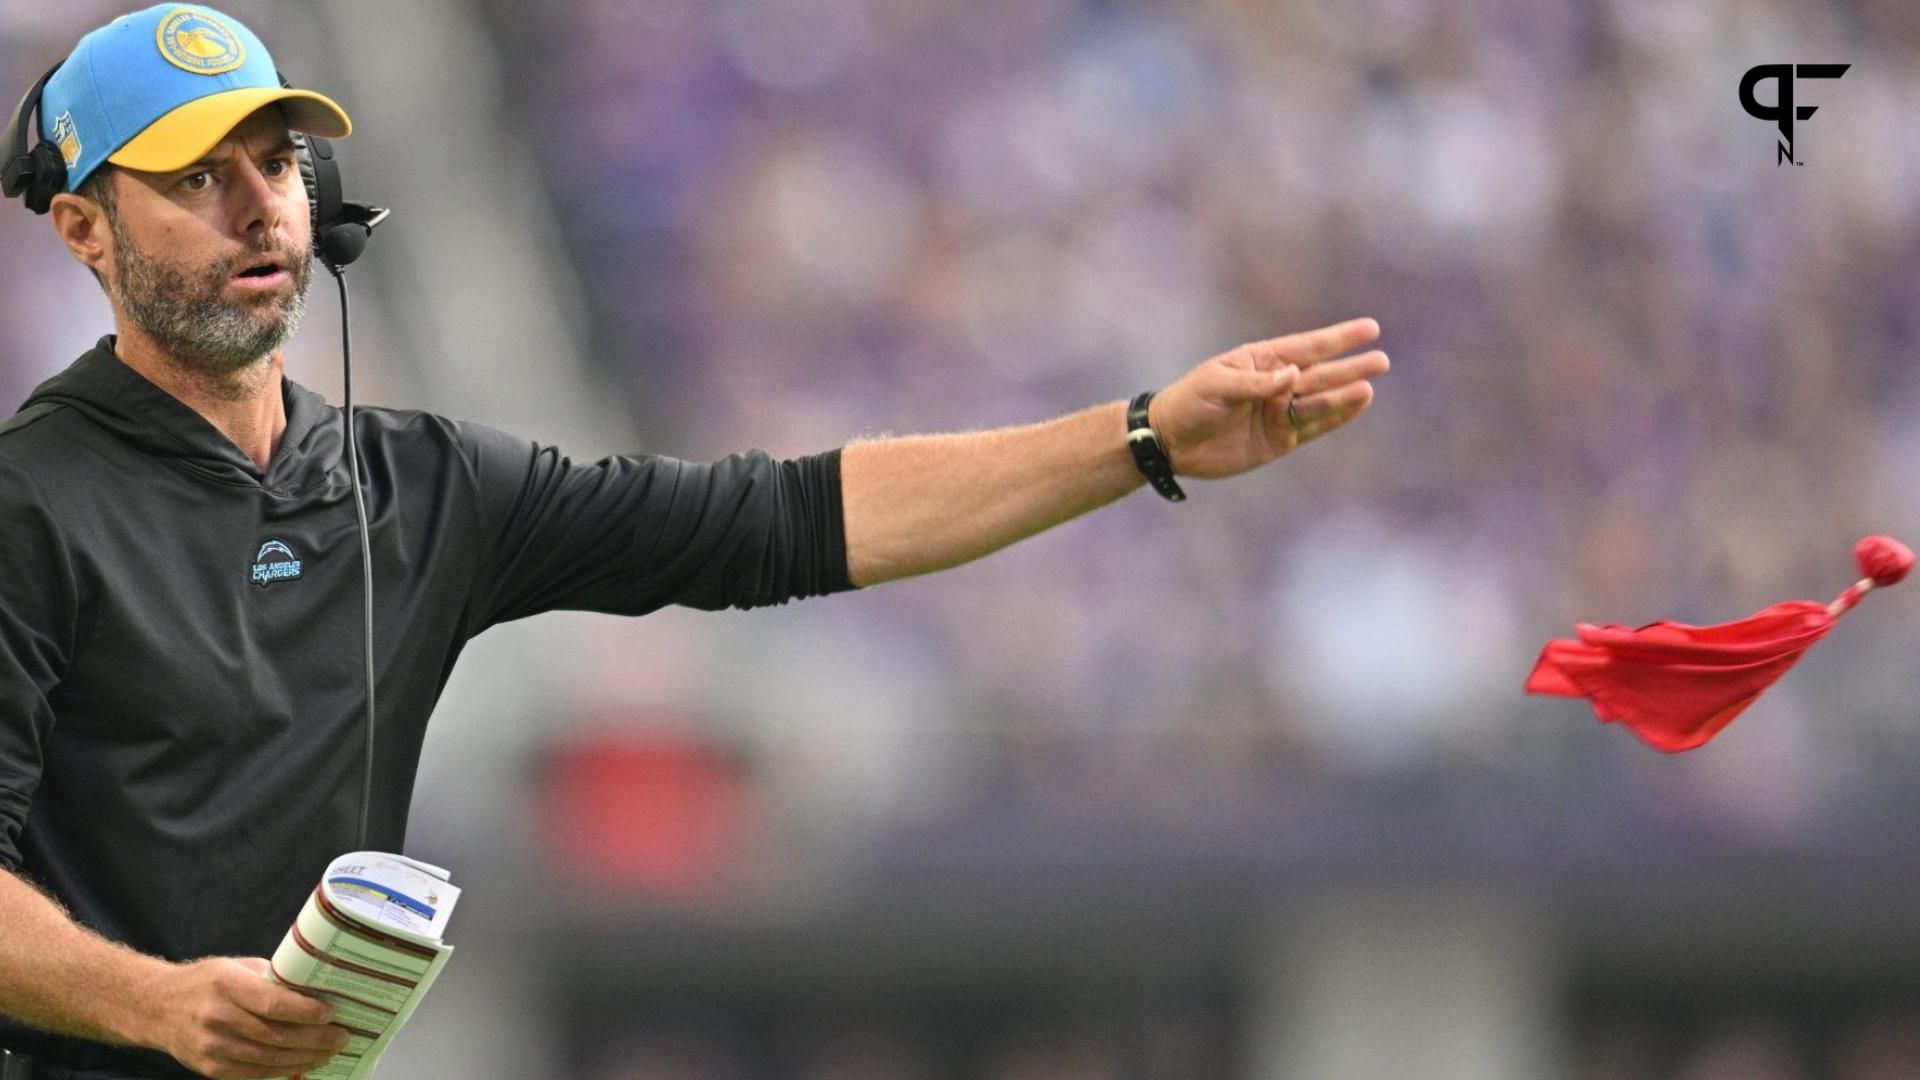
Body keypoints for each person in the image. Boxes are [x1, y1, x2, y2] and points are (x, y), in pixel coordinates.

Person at [0, 5, 1389, 1079]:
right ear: (86, 232)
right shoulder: (30, 502)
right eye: (195, 175)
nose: (259, 203)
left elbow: (788, 520)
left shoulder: (418, 485)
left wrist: (1143, 438)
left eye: (278, 160)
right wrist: (165, 1003)